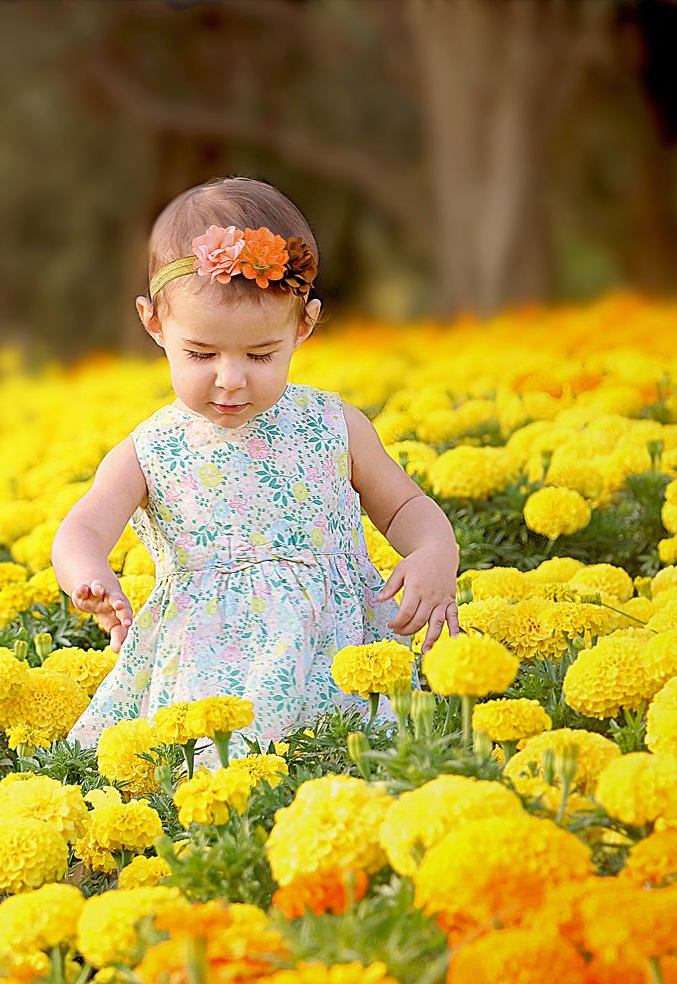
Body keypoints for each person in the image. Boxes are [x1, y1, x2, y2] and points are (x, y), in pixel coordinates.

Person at [52, 175, 461, 756]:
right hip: (210, 666)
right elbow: (83, 527)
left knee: (362, 762)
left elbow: (404, 507)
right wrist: (88, 576)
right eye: (201, 354)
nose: (230, 378)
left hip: (337, 652)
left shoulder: (334, 424)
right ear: (153, 322)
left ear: (303, 326)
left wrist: (435, 552)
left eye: (261, 355)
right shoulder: (150, 449)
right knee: (222, 772)